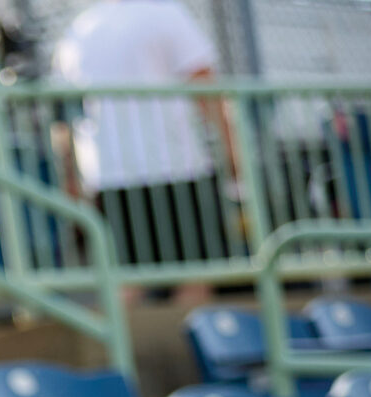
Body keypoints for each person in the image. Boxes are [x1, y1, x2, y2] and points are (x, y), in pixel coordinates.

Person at [49, 0, 235, 304]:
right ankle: (185, 349)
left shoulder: (79, 30)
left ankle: (122, 350)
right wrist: (233, 153)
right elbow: (206, 87)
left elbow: (63, 120)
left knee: (127, 284)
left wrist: (70, 178)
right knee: (195, 277)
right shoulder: (166, 12)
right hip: (177, 169)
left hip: (110, 177)